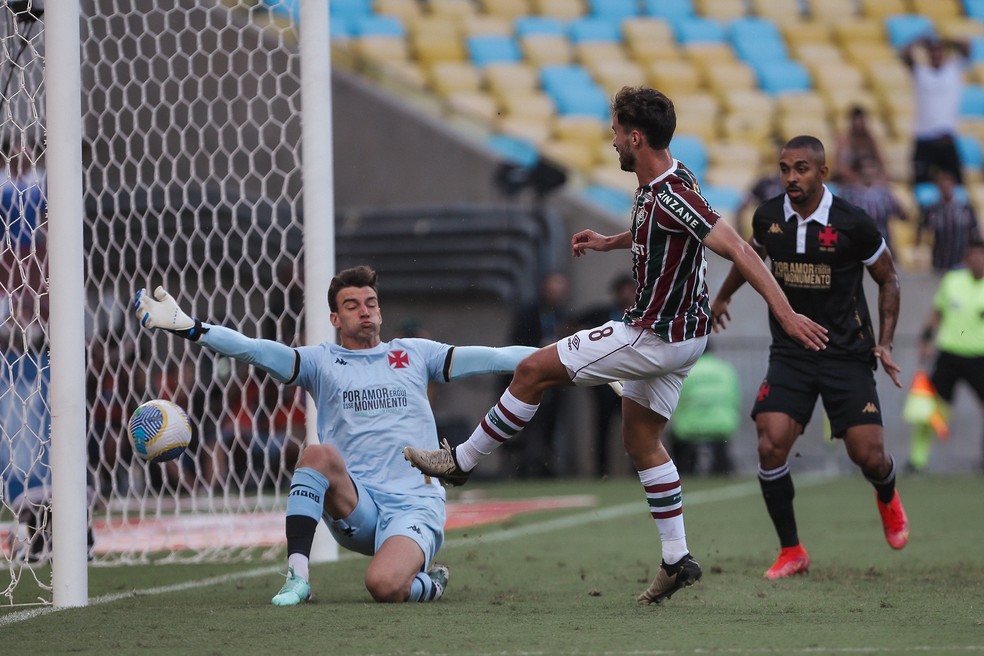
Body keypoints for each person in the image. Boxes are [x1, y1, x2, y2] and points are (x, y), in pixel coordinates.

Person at [404, 86, 828, 604]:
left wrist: (784, 314)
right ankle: (676, 559)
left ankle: (462, 462)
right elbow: (660, 232)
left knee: (533, 371)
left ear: (635, 136)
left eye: (614, 134)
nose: (611, 144)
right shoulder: (664, 183)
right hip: (685, 340)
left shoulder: (672, 193)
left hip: (651, 336)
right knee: (640, 440)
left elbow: (738, 247)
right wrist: (612, 242)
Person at [134, 265, 538, 605]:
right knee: (317, 454)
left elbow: (497, 358)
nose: (365, 312)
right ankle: (298, 578)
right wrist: (192, 328)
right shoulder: (319, 362)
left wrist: (569, 356)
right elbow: (253, 349)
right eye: (351, 305)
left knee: (384, 586)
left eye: (371, 303)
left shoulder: (417, 353)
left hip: (414, 505)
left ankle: (429, 583)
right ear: (334, 319)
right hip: (355, 504)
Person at [709, 135, 909, 581]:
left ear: (822, 172)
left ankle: (887, 492)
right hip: (791, 352)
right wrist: (721, 298)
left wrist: (887, 343)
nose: (791, 177)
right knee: (769, 441)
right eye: (784, 168)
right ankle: (792, 549)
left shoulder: (853, 222)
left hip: (846, 353)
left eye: (801, 168)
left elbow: (889, 279)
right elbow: (749, 259)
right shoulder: (767, 217)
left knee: (869, 456)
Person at [907, 239, 984, 472]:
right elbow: (936, 313)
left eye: (981, 256)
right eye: (972, 256)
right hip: (949, 355)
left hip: (979, 357)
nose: (976, 260)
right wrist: (926, 339)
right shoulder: (952, 281)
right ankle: (917, 460)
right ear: (966, 258)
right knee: (929, 409)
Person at [503, 271, 572, 478]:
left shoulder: (563, 315)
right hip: (531, 376)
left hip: (555, 380)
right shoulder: (529, 313)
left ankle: (546, 465)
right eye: (553, 290)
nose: (557, 295)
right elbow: (516, 341)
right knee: (527, 422)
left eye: (560, 291)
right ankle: (525, 467)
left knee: (551, 423)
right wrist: (540, 348)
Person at [573, 273, 637, 476]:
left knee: (635, 427)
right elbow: (571, 325)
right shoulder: (601, 314)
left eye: (630, 290)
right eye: (623, 290)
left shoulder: (642, 315)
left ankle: (638, 470)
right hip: (605, 382)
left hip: (632, 379)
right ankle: (601, 472)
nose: (627, 294)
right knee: (602, 426)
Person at [900, 34, 970, 185]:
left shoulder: (953, 70)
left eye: (939, 50)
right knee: (920, 184)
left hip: (947, 139)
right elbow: (905, 53)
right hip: (925, 138)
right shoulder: (921, 72)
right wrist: (919, 40)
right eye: (932, 50)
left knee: (958, 185)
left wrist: (945, 39)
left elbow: (966, 45)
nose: (936, 54)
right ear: (928, 53)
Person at [667, 344, 740, 476]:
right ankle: (723, 469)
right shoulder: (725, 369)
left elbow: (675, 402)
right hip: (721, 426)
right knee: (720, 450)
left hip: (689, 428)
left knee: (675, 441)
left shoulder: (684, 370)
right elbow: (734, 399)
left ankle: (682, 471)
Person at [839, 156, 908, 252]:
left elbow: (903, 215)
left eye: (871, 167)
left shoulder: (884, 193)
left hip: (883, 243)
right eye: (864, 168)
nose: (868, 171)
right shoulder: (848, 194)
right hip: (857, 245)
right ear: (857, 171)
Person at [917, 170, 980, 273]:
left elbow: (974, 233)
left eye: (947, 184)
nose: (945, 188)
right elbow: (921, 231)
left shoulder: (965, 209)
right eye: (942, 185)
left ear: (953, 185)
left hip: (961, 261)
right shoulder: (931, 210)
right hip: (939, 262)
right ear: (937, 187)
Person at [831, 106, 888, 185]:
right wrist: (855, 178)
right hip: (849, 180)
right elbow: (839, 167)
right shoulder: (844, 140)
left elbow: (880, 162)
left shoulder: (870, 140)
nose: (858, 124)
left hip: (868, 178)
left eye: (861, 120)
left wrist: (879, 177)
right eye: (856, 120)